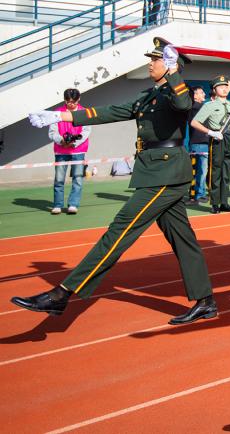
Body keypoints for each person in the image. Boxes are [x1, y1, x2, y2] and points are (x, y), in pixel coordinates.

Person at [15, 38, 216, 324]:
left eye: (156, 60)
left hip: (166, 173)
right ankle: (205, 301)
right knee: (183, 240)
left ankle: (62, 294)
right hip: (155, 170)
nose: (150, 64)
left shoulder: (176, 92)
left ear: (171, 64)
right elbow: (110, 111)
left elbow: (184, 103)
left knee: (120, 230)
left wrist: (174, 74)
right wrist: (62, 116)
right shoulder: (148, 95)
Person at [191, 75, 230, 214]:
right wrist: (211, 132)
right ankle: (215, 203)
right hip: (217, 139)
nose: (224, 89)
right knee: (215, 172)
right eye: (220, 86)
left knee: (226, 173)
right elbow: (194, 122)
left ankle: (224, 202)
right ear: (214, 89)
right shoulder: (209, 105)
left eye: (226, 86)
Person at [48, 88, 91, 215]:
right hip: (60, 151)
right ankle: (57, 205)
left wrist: (74, 143)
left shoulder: (84, 112)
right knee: (59, 179)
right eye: (68, 101)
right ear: (64, 100)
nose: (71, 104)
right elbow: (52, 132)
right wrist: (62, 141)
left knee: (78, 178)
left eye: (74, 101)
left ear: (79, 99)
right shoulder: (57, 113)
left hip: (79, 151)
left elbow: (86, 131)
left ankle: (73, 204)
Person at [186, 87, 210, 206]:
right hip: (200, 144)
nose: (204, 94)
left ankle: (195, 195)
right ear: (195, 96)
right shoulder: (197, 107)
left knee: (196, 171)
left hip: (197, 144)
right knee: (201, 172)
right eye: (201, 92)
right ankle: (199, 195)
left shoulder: (193, 107)